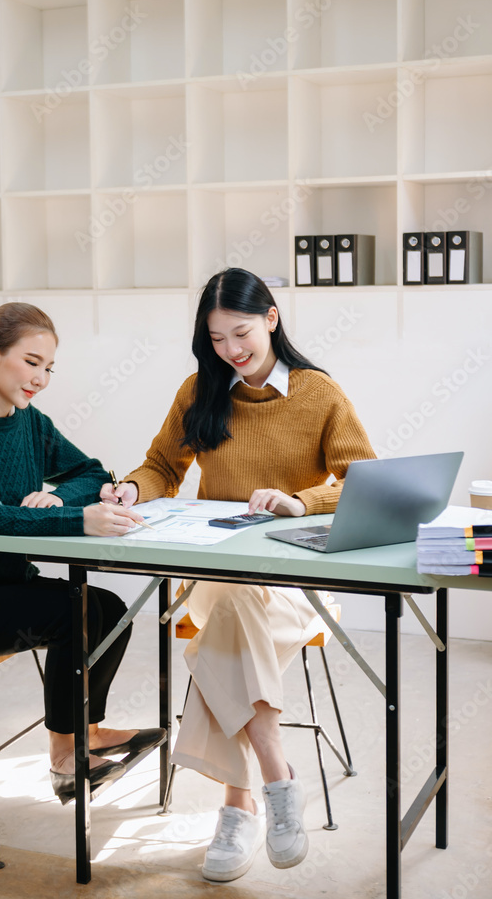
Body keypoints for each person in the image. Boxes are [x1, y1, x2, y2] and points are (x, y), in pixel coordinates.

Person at [100, 268, 376, 882]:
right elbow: (159, 468)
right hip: (214, 574)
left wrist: (302, 501)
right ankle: (278, 775)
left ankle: (239, 805)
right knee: (229, 602)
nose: (231, 349)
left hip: (298, 584)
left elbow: (363, 479)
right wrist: (129, 489)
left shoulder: (319, 394)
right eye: (217, 337)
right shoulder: (200, 391)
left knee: (229, 617)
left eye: (241, 332)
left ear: (272, 318)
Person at [0, 302, 165, 801]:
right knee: (75, 614)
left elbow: (91, 471)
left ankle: (85, 731)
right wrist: (75, 518)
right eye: (31, 362)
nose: (40, 378)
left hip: (4, 586)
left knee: (109, 609)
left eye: (48, 368)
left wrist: (61, 496)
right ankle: (66, 759)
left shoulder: (30, 423)